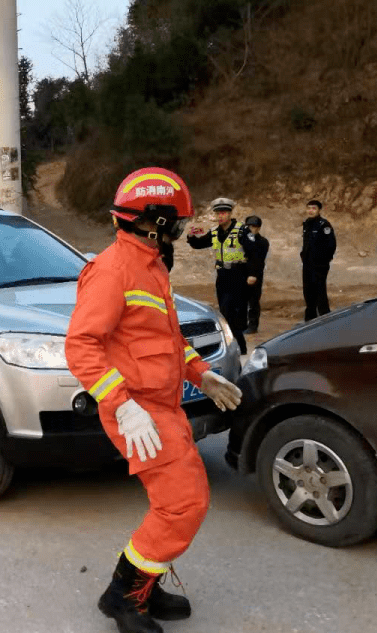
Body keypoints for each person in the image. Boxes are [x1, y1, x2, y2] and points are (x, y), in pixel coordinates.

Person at [66, 167, 242, 633]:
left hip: (164, 406)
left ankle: (145, 581)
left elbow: (164, 338)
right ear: (155, 221)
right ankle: (123, 597)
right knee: (183, 504)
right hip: (137, 409)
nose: (182, 232)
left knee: (173, 502)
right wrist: (122, 405)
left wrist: (201, 374)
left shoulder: (149, 266)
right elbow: (81, 346)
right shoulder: (113, 271)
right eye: (178, 224)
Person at [185, 197, 258, 354]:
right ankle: (231, 346)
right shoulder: (214, 232)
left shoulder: (242, 230)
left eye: (223, 213)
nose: (220, 216)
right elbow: (199, 244)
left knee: (237, 313)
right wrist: (191, 236)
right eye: (218, 213)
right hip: (223, 276)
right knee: (225, 312)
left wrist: (252, 274)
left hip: (239, 275)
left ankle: (241, 348)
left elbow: (254, 253)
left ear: (230, 213)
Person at [301, 199, 336, 321]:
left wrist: (324, 261)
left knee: (320, 293)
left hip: (319, 266)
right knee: (308, 293)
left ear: (319, 210)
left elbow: (331, 244)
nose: (311, 211)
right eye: (309, 208)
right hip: (307, 264)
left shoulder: (324, 225)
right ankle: (309, 321)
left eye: (314, 208)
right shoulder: (307, 223)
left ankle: (325, 320)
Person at [243, 215, 269, 334]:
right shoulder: (242, 239)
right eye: (248, 226)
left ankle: (253, 325)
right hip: (241, 273)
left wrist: (253, 275)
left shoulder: (262, 242)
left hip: (254, 274)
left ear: (258, 228)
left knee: (253, 301)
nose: (250, 229)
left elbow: (257, 259)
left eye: (253, 227)